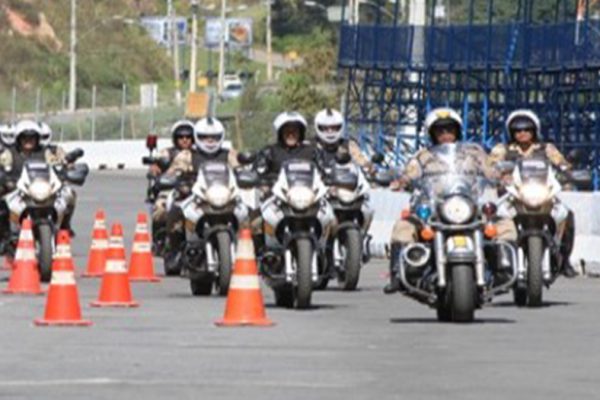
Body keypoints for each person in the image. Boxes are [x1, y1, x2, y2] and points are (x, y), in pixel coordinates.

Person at [384, 107, 518, 293]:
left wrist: (503, 178)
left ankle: (507, 271)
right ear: (432, 134)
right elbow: (410, 172)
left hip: (469, 206)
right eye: (440, 131)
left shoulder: (474, 152)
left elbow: (491, 171)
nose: (446, 134)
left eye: (450, 130)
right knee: (403, 227)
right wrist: (401, 181)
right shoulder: (423, 156)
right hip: (434, 209)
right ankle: (398, 275)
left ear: (457, 131)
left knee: (506, 226)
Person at [489, 109, 577, 277]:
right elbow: (490, 167)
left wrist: (567, 173)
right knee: (493, 218)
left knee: (566, 215)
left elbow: (562, 164)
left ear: (534, 131)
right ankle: (497, 262)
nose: (522, 133)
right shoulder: (502, 149)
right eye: (517, 130)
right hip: (513, 195)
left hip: (542, 193)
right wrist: (499, 176)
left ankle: (565, 259)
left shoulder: (546, 148)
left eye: (526, 129)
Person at [164, 117, 240, 273]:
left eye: (214, 137)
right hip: (196, 197)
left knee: (250, 213)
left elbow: (241, 170)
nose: (210, 141)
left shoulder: (229, 154)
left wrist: (247, 175)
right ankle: (175, 251)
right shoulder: (186, 155)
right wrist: (172, 179)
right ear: (197, 137)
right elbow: (172, 172)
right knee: (174, 211)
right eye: (205, 137)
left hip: (224, 197)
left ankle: (252, 252)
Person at [312, 107, 375, 236]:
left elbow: (360, 159)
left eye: (334, 127)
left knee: (368, 209)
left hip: (346, 188)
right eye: (325, 128)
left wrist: (370, 167)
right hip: (321, 191)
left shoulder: (348, 145)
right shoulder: (310, 146)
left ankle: (362, 237)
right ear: (318, 128)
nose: (330, 131)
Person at [254, 111, 318, 186]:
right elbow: (258, 173)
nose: (291, 135)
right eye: (287, 131)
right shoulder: (269, 152)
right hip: (277, 194)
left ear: (300, 133)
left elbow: (324, 174)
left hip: (308, 193)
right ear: (281, 133)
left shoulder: (312, 152)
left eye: (294, 131)